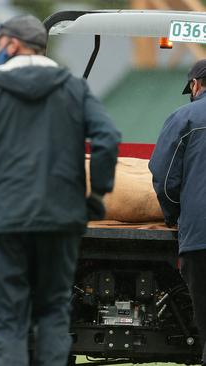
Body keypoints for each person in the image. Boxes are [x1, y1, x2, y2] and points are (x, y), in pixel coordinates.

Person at [0, 14, 120, 366]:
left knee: (7, 317)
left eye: (0, 44)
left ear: (13, 45)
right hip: (60, 219)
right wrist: (97, 194)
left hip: (5, 221)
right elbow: (107, 138)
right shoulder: (73, 87)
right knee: (53, 312)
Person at [149, 59, 206, 366]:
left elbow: (165, 179)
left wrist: (174, 216)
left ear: (195, 85)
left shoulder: (183, 118)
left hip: (201, 238)